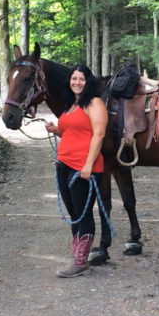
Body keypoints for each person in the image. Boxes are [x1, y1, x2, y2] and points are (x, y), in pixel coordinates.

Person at [44, 64, 107, 278]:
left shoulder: (95, 103)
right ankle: (78, 256)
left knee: (83, 213)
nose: (77, 82)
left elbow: (98, 135)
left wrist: (88, 165)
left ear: (87, 81)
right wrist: (57, 130)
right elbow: (73, 134)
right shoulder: (71, 104)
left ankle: (80, 262)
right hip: (64, 164)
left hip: (83, 167)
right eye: (74, 79)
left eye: (81, 79)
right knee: (74, 213)